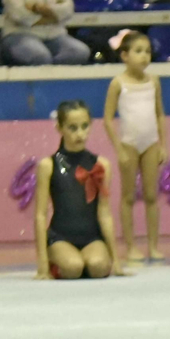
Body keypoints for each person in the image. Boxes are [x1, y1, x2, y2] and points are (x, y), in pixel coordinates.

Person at [32, 101, 120, 280]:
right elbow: (40, 215)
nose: (80, 134)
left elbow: (104, 213)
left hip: (91, 238)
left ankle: (87, 262)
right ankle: (58, 262)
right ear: (59, 128)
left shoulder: (101, 165)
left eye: (84, 126)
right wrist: (42, 264)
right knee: (73, 267)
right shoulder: (48, 165)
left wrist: (116, 260)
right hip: (60, 237)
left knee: (99, 267)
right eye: (72, 128)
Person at [103, 31, 167, 263]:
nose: (144, 56)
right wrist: (119, 148)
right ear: (124, 56)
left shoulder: (154, 82)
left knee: (151, 195)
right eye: (138, 51)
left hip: (150, 143)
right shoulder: (118, 83)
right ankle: (130, 247)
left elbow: (160, 115)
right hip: (129, 144)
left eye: (147, 51)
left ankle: (153, 246)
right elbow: (107, 119)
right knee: (128, 197)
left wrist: (163, 145)